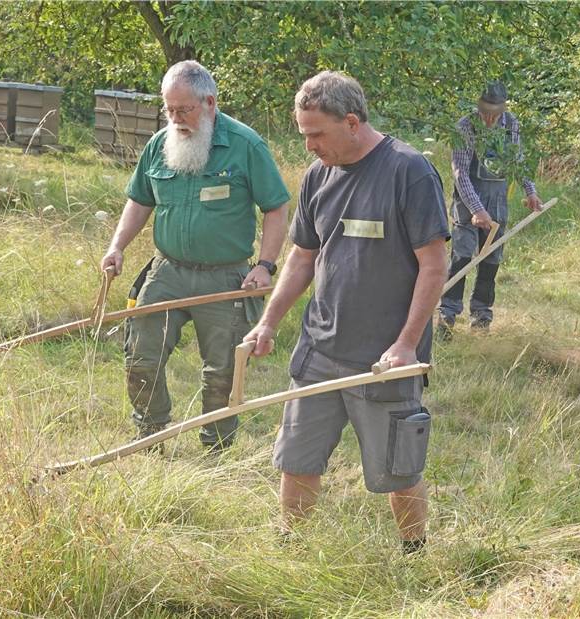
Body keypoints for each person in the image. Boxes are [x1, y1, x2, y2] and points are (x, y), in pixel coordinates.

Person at [243, 71, 449, 550]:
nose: (309, 146)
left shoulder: (408, 171)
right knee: (297, 460)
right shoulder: (318, 175)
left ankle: (415, 553)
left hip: (384, 360)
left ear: (352, 122)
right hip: (319, 350)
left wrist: (405, 344)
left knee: (398, 471)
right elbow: (301, 258)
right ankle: (291, 548)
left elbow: (434, 266)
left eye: (316, 134)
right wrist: (268, 321)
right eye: (303, 134)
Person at [101, 60, 289, 451]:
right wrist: (116, 246)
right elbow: (140, 200)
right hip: (167, 272)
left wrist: (266, 267)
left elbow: (275, 207)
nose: (175, 118)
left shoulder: (245, 145)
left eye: (183, 109)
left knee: (222, 370)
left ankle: (217, 448)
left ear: (209, 102)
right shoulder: (159, 144)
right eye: (168, 109)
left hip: (226, 277)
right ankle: (150, 436)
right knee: (140, 356)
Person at [437, 81, 542, 338]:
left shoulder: (511, 125)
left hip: (497, 204)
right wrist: (476, 209)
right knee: (461, 257)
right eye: (485, 112)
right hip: (467, 202)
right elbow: (460, 175)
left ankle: (481, 318)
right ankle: (447, 316)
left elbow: (518, 160)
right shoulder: (464, 127)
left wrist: (530, 191)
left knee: (491, 261)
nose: (489, 118)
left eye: (494, 113)